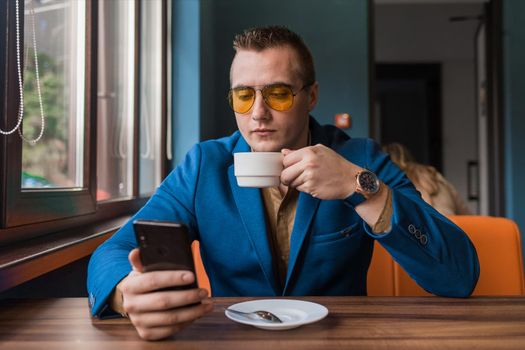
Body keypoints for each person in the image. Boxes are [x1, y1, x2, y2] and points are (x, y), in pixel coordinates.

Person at [87, 26, 479, 340]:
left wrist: (359, 186)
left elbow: (459, 276)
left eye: (277, 93)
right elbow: (115, 250)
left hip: (338, 342)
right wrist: (127, 294)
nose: (258, 113)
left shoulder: (359, 159)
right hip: (231, 341)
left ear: (311, 97)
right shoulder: (204, 165)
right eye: (244, 96)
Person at [383, 142, 471, 216]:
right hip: (451, 228)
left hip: (426, 232)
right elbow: (466, 213)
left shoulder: (393, 180)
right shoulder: (432, 174)